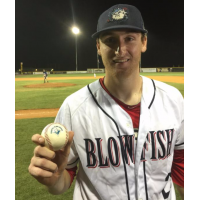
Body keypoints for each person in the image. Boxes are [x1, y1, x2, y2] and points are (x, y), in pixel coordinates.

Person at [28, 4, 184, 200]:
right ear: (98, 47)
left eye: (129, 39)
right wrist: (54, 180)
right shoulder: (73, 107)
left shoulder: (173, 99)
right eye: (110, 40)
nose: (121, 49)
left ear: (144, 42)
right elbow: (63, 176)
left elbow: (182, 166)